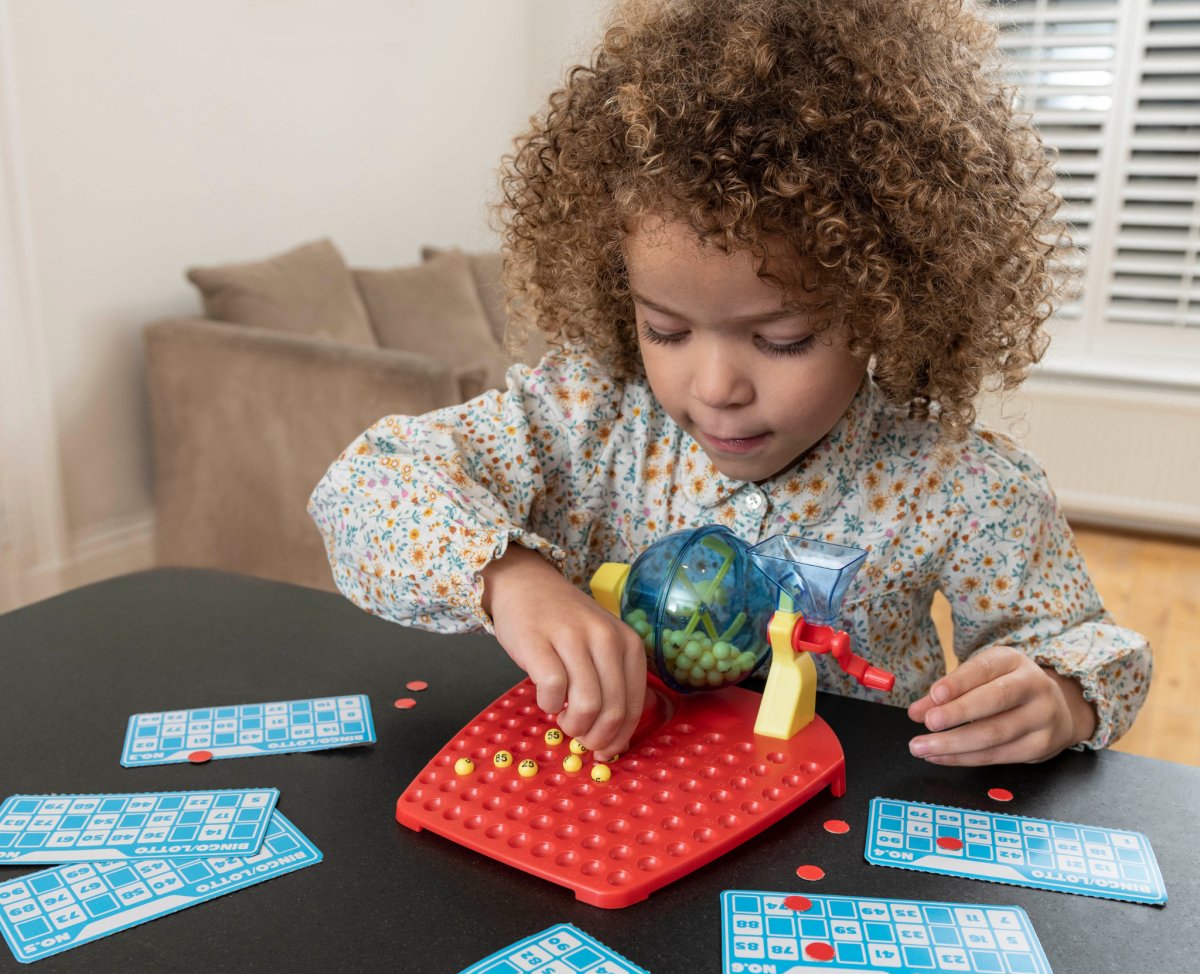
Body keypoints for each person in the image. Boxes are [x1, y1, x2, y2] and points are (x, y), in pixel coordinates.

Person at [309, 0, 1151, 768]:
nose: (713, 386)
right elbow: (363, 486)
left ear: (890, 306)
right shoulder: (583, 417)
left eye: (782, 339)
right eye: (665, 330)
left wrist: (1059, 697)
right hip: (626, 812)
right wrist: (510, 578)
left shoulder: (959, 485)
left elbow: (1083, 644)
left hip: (837, 849)